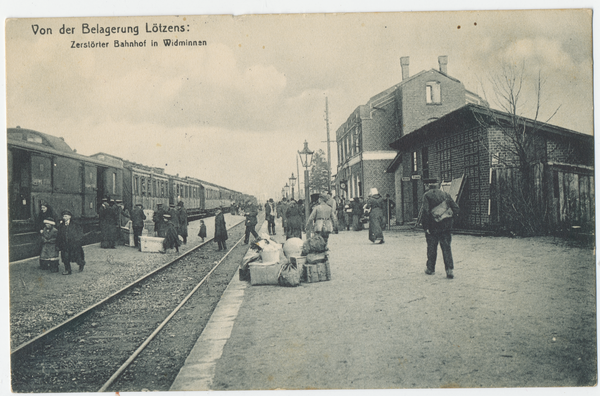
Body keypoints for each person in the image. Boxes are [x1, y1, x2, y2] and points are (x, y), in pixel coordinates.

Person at [421, 178, 460, 279]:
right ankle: (449, 270)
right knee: (446, 247)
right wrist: (449, 219)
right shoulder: (445, 195)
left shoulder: (427, 195)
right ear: (438, 185)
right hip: (446, 227)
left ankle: (430, 269)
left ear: (428, 185)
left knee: (431, 248)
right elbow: (456, 208)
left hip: (433, 227)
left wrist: (426, 227)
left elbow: (425, 212)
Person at [56, 210, 85, 274]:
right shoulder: (61, 225)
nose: (64, 218)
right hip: (65, 244)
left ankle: (81, 264)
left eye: (66, 216)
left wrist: (78, 241)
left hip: (74, 244)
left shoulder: (75, 224)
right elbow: (59, 235)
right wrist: (58, 244)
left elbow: (80, 234)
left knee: (77, 257)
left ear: (69, 217)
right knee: (65, 258)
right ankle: (68, 270)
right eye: (63, 216)